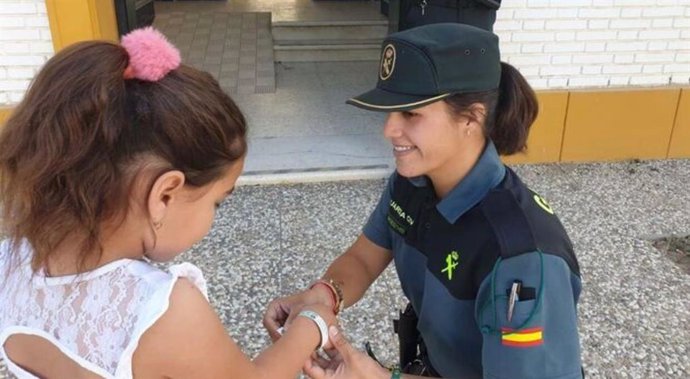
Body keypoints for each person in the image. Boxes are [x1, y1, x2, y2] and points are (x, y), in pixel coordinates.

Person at [0, 27, 336, 378]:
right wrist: (311, 325)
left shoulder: (9, 261)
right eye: (217, 202)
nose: (212, 218)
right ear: (163, 195)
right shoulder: (159, 311)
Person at [264, 23, 584, 379]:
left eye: (411, 113)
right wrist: (324, 295)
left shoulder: (522, 259)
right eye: (390, 111)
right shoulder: (412, 184)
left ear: (471, 118)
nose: (389, 129)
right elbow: (363, 258)